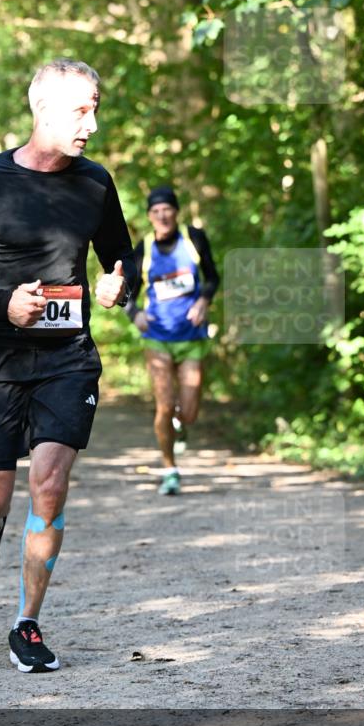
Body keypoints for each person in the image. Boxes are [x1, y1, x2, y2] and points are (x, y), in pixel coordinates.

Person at [0, 58, 136, 674]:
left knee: (48, 483)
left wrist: (118, 287)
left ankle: (27, 624)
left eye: (96, 107)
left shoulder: (96, 184)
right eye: (81, 110)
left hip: (68, 359)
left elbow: (122, 260)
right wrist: (1, 302)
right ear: (42, 109)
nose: (92, 125)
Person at [126, 186, 219, 495]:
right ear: (150, 216)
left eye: (168, 209)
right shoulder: (145, 248)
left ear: (176, 212)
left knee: (189, 412)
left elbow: (213, 277)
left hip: (192, 337)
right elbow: (127, 290)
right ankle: (170, 469)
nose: (163, 215)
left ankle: (181, 425)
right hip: (157, 337)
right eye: (156, 211)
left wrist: (204, 301)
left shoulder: (193, 239)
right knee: (164, 405)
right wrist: (133, 313)